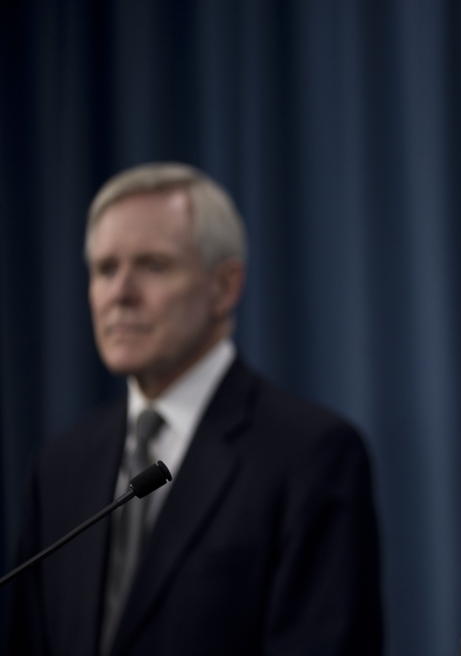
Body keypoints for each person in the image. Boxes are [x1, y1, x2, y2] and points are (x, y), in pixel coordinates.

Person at [7, 163, 384, 655]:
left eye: (153, 266)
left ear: (225, 287)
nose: (120, 294)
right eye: (105, 269)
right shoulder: (61, 467)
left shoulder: (311, 455)